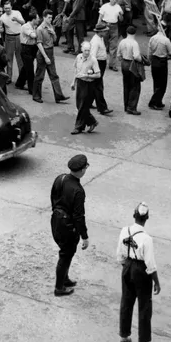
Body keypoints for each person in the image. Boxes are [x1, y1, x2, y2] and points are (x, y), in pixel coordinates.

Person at [116, 202, 160, 342]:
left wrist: (126, 266)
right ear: (146, 218)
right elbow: (150, 263)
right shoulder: (147, 238)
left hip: (127, 266)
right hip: (141, 271)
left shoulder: (124, 231)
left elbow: (119, 254)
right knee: (144, 306)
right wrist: (156, 281)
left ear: (134, 215)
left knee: (126, 302)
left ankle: (124, 337)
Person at [50, 154, 90, 297]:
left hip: (56, 221)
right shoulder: (78, 191)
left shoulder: (60, 178)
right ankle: (59, 288)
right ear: (81, 170)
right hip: (68, 227)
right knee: (65, 255)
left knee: (66, 253)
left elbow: (53, 197)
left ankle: (64, 279)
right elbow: (79, 217)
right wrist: (84, 236)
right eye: (86, 167)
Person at [71, 41, 100, 135]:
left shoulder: (93, 60)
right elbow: (76, 70)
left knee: (83, 105)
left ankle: (78, 127)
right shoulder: (78, 57)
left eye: (88, 50)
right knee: (79, 105)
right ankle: (92, 121)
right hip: (80, 83)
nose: (87, 52)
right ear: (82, 50)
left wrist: (88, 76)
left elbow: (98, 74)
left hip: (88, 84)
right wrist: (73, 82)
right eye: (85, 50)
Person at [117, 25, 143, 115]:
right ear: (134, 33)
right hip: (132, 64)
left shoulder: (122, 42)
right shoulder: (134, 43)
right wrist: (141, 60)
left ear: (127, 33)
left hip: (124, 63)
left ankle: (126, 106)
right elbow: (136, 56)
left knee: (126, 85)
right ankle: (131, 107)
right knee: (135, 86)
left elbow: (118, 55)